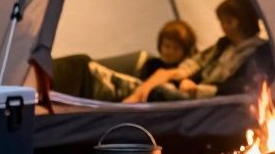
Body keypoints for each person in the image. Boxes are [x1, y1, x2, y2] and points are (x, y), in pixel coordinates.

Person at [125, 0, 267, 102]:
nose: (223, 28)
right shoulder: (224, 45)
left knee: (160, 90)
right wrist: (177, 74)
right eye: (222, 22)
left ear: (245, 22)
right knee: (159, 76)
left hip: (208, 101)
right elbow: (195, 63)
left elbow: (237, 88)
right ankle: (130, 97)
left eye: (229, 22)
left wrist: (197, 89)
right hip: (191, 88)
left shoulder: (258, 53)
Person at [51, 20, 197, 102]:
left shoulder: (183, 72)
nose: (169, 52)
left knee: (80, 64)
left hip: (125, 92)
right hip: (126, 87)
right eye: (167, 46)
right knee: (80, 64)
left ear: (185, 51)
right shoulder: (152, 63)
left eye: (176, 48)